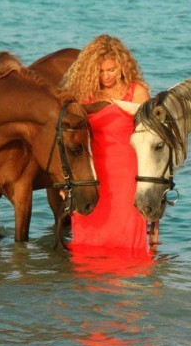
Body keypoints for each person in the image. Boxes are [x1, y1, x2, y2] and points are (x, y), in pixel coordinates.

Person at [61, 34, 151, 255]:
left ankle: (128, 284)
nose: (106, 76)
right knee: (89, 235)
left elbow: (151, 137)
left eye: (110, 70)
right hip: (91, 175)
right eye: (100, 71)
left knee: (128, 238)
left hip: (128, 174)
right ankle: (90, 285)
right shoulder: (84, 94)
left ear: (122, 66)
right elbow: (67, 141)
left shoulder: (136, 92)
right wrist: (66, 184)